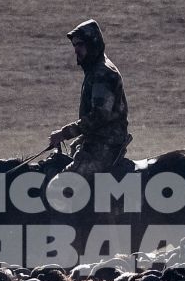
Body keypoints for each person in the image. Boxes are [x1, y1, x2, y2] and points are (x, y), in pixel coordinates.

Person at [50, 19, 131, 174]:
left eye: (80, 44)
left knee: (63, 185)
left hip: (106, 145)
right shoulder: (95, 71)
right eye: (74, 45)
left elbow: (99, 116)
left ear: (92, 43)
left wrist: (65, 133)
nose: (76, 50)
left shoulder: (103, 73)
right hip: (99, 141)